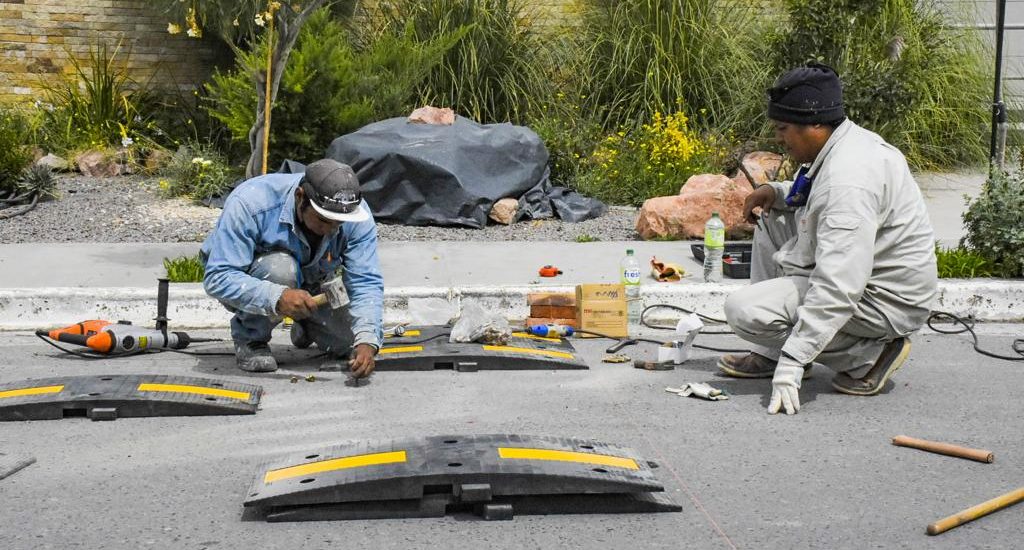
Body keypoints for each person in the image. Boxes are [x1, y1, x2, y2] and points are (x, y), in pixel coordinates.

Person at [717, 63, 937, 415]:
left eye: (783, 129)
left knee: (745, 311)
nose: (778, 139)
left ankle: (870, 354)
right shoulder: (842, 145)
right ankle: (772, 351)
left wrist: (793, 360)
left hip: (885, 300)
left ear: (816, 124)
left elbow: (839, 286)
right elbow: (817, 200)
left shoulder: (848, 181)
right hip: (863, 276)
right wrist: (776, 192)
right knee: (773, 217)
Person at [201, 159, 383, 378]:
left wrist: (366, 340)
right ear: (300, 198)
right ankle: (251, 338)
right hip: (263, 276)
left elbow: (365, 281)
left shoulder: (353, 213)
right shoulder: (251, 202)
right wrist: (277, 297)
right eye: (324, 220)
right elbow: (218, 277)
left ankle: (306, 323)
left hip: (315, 279)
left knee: (348, 344)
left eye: (339, 224)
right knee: (280, 269)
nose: (332, 230)